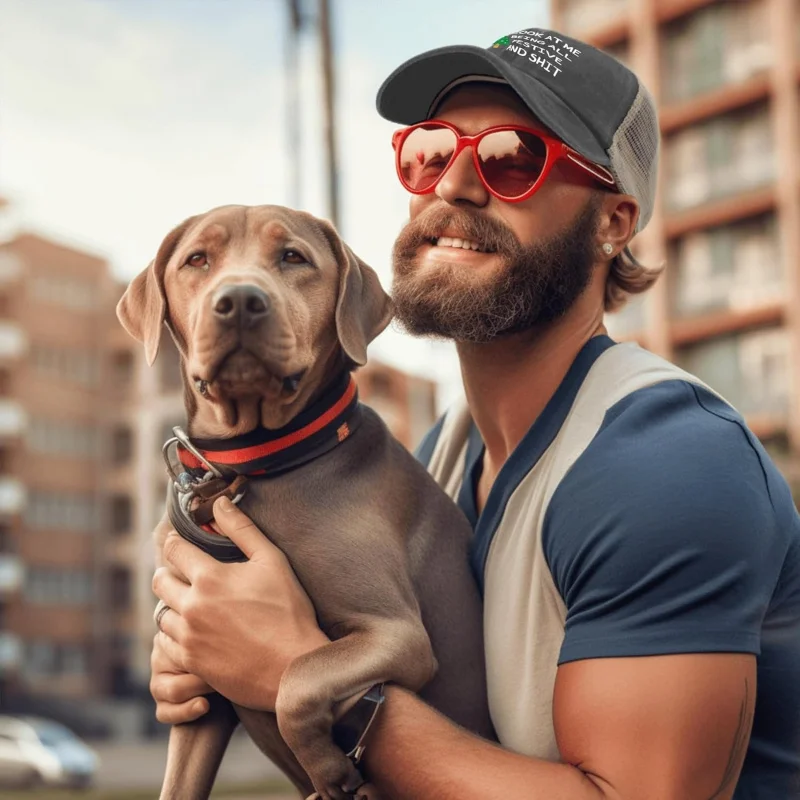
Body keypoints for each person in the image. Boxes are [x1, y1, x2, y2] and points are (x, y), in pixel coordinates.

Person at [150, 26, 800, 799]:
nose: (454, 184)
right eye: (429, 152)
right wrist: (214, 655)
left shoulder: (667, 465)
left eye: (512, 159)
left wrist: (298, 670)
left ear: (613, 222)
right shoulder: (439, 456)